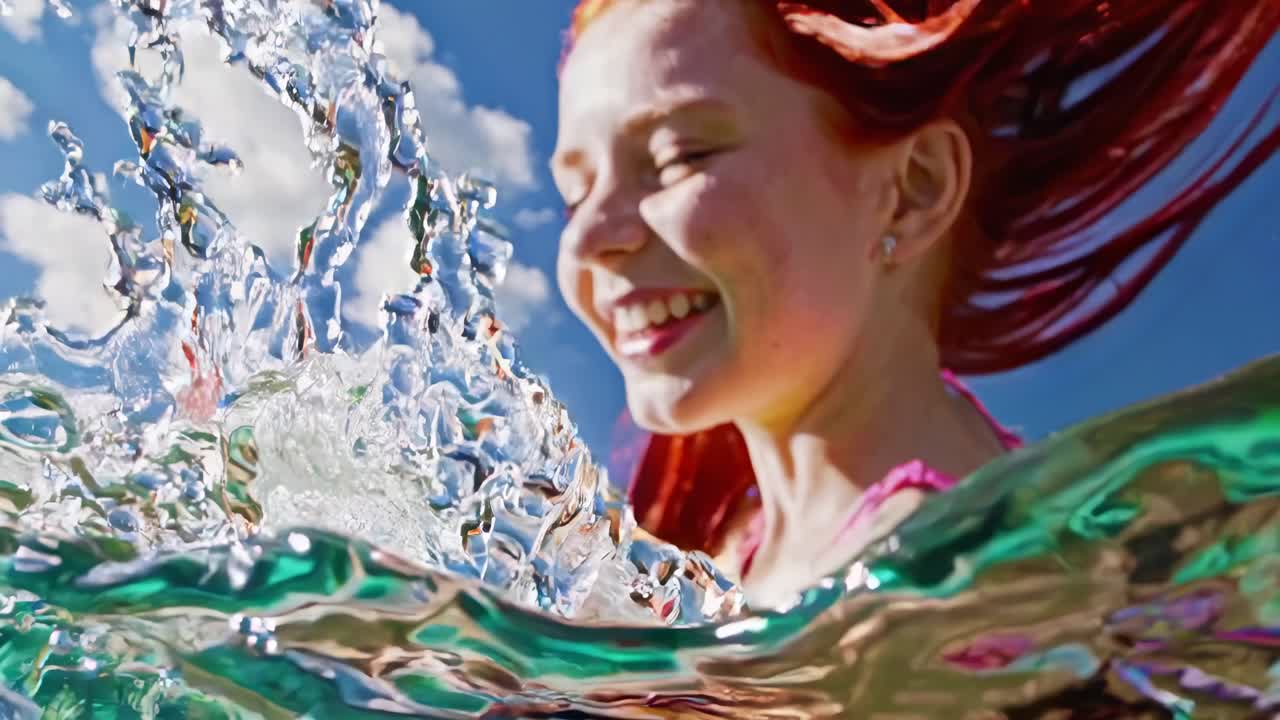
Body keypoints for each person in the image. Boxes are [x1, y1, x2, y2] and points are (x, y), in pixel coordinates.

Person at [550, 0, 1278, 608]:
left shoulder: (945, 578)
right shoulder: (746, 545)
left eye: (679, 156)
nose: (589, 240)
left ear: (914, 189)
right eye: (575, 191)